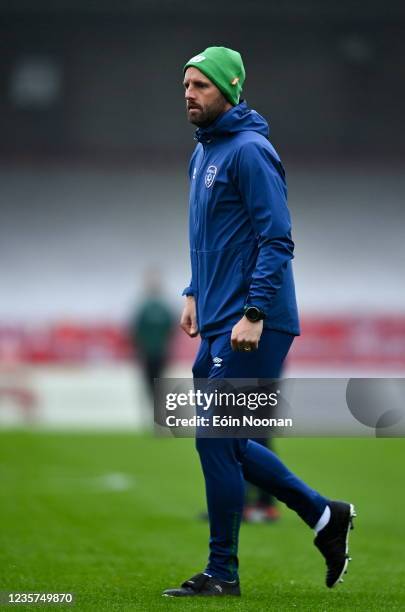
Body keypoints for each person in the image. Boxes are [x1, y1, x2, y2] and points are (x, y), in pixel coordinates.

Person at [163, 47, 356, 598]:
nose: (189, 94)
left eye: (200, 85)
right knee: (225, 440)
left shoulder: (251, 151)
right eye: (186, 85)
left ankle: (222, 572)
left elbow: (278, 239)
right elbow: (209, 238)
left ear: (229, 90)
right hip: (219, 314)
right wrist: (194, 290)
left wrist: (254, 312)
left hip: (254, 322)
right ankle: (325, 515)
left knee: (214, 439)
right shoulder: (201, 154)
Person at [128, 268, 175, 401]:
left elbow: (171, 330)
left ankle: (159, 411)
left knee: (159, 383)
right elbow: (134, 331)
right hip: (146, 353)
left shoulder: (164, 307)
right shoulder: (143, 306)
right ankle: (152, 412)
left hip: (161, 353)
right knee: (148, 385)